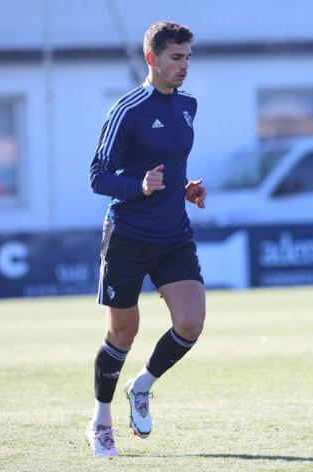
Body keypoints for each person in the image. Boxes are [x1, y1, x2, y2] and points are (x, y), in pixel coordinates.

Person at [86, 21, 207, 457]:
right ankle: (101, 420)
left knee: (191, 322)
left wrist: (184, 187)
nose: (184, 66)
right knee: (123, 332)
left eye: (188, 57)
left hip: (173, 233)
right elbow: (98, 177)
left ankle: (143, 386)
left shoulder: (189, 105)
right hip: (129, 235)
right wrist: (140, 185)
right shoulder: (127, 110)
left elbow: (167, 170)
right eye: (176, 57)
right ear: (152, 59)